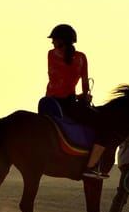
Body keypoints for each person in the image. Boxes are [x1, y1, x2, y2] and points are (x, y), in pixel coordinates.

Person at [45, 24, 110, 179]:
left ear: (62, 41)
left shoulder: (51, 55)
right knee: (104, 127)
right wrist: (84, 96)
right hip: (68, 104)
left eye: (54, 40)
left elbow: (56, 81)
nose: (52, 43)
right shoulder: (81, 58)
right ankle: (91, 166)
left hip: (50, 102)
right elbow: (84, 84)